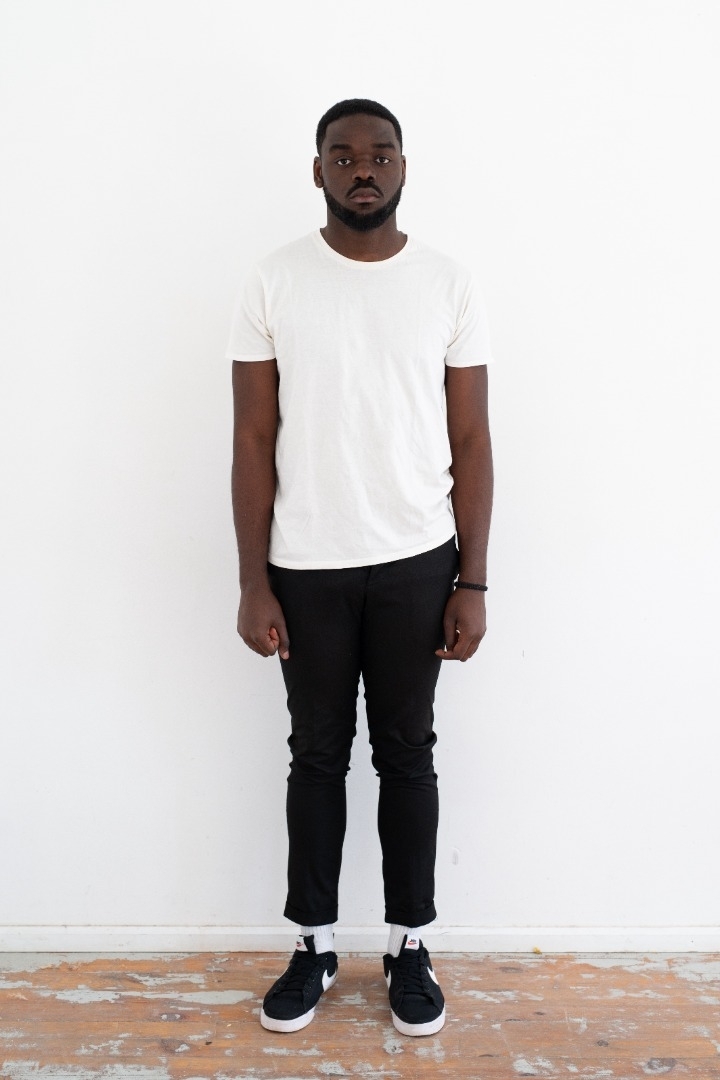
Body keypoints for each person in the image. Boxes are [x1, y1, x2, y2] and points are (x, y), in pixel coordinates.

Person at [227, 98, 494, 1038]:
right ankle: (313, 943)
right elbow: (252, 437)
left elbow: (472, 438)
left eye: (380, 154)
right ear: (319, 172)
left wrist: (472, 580)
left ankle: (409, 945)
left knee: (407, 756)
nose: (363, 169)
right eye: (343, 156)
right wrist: (253, 580)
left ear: (404, 168)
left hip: (419, 560)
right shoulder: (275, 279)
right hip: (306, 564)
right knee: (316, 756)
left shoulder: (447, 282)